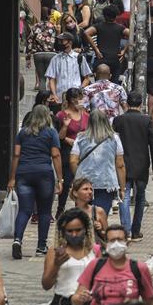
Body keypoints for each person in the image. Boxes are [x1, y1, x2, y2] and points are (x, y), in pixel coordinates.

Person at [72, 226, 153, 305]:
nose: (116, 244)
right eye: (112, 241)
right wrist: (80, 298)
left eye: (120, 240)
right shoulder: (95, 266)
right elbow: (75, 300)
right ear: (106, 244)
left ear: (127, 242)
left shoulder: (139, 269)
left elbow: (150, 303)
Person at [8, 105, 63, 259]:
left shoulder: (22, 133)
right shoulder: (51, 133)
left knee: (24, 210)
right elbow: (56, 155)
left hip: (24, 174)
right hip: (44, 174)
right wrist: (60, 179)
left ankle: (17, 240)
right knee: (45, 212)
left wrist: (12, 178)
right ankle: (41, 247)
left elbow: (16, 155)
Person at [113, 92, 153, 241]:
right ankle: (136, 230)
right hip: (142, 164)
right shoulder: (146, 121)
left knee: (123, 196)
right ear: (141, 103)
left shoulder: (118, 120)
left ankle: (126, 231)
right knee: (140, 198)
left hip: (122, 164)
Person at [70, 110, 126, 215]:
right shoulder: (114, 138)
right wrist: (122, 188)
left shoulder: (80, 137)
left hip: (84, 183)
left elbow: (73, 161)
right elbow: (120, 165)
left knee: (84, 216)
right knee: (100, 216)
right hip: (106, 183)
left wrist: (78, 176)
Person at [55, 87, 89, 217]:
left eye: (80, 98)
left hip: (84, 153)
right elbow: (58, 137)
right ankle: (60, 208)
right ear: (70, 100)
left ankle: (79, 208)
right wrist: (65, 128)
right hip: (68, 153)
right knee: (67, 180)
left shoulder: (86, 115)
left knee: (82, 182)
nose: (79, 101)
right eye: (76, 99)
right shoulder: (62, 115)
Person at [83, 5, 129, 85]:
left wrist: (96, 50)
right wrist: (124, 51)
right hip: (115, 59)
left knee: (98, 85)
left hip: (101, 58)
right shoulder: (120, 28)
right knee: (114, 85)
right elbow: (131, 34)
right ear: (116, 16)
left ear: (104, 15)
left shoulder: (99, 26)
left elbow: (86, 33)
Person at [45, 32, 92, 104]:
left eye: (62, 41)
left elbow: (87, 78)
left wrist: (80, 90)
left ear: (70, 42)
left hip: (75, 98)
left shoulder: (79, 58)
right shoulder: (55, 59)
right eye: (59, 41)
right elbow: (51, 79)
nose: (60, 43)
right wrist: (54, 95)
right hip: (60, 98)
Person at [26, 0, 58, 92]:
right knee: (51, 78)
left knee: (42, 79)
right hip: (51, 54)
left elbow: (29, 42)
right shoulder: (54, 27)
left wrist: (28, 58)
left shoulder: (35, 27)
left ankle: (42, 99)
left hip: (38, 55)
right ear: (49, 16)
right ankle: (52, 98)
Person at [69, 178, 108, 245]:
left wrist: (100, 230)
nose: (90, 192)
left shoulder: (98, 211)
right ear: (75, 193)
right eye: (85, 189)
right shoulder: (70, 215)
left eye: (91, 189)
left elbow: (108, 237)